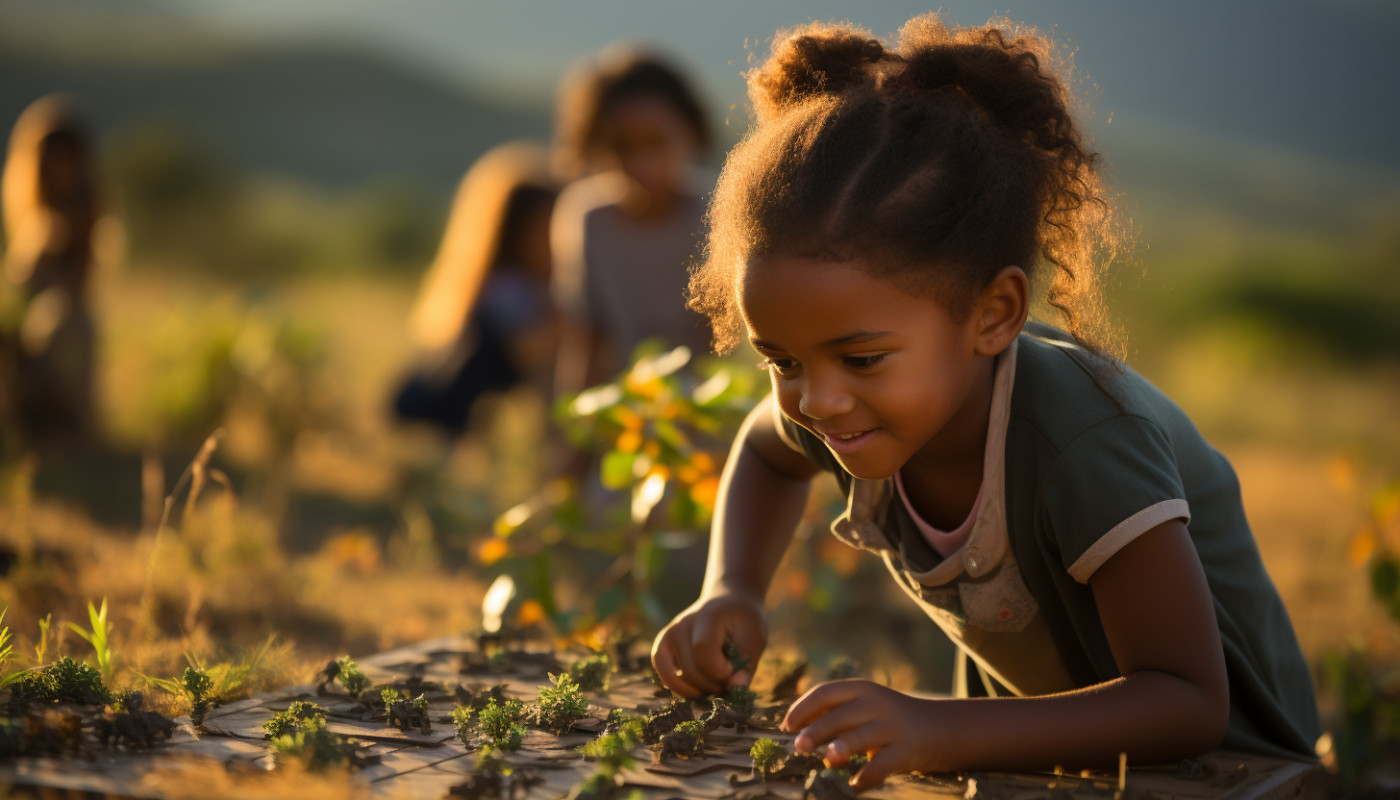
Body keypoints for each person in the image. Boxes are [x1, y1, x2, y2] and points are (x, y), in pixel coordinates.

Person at [649, 13, 1321, 790]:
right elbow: (767, 448)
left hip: (1232, 771)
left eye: (861, 358)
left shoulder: (1084, 439)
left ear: (993, 315)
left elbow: (1187, 703)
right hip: (1052, 759)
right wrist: (731, 587)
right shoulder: (851, 405)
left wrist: (938, 723)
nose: (818, 399)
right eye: (780, 359)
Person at [550, 46, 714, 394]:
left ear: (690, 134)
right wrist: (574, 435)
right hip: (624, 411)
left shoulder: (715, 213)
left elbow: (716, 344)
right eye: (622, 147)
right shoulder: (587, 218)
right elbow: (585, 342)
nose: (642, 164)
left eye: (656, 143)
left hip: (706, 410)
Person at [393, 143, 558, 437]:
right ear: (513, 233)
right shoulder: (506, 292)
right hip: (431, 423)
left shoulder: (486, 289)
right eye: (547, 228)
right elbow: (535, 352)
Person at [1, 96, 106, 445]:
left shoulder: (86, 216)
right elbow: (16, 291)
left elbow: (77, 292)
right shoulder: (31, 222)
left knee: (64, 323)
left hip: (61, 351)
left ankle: (66, 426)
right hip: (21, 355)